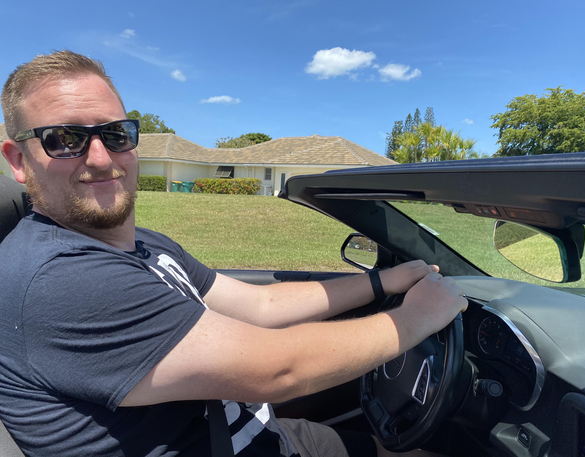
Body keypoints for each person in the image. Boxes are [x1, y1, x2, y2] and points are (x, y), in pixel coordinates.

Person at [0, 51, 467, 457]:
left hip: (254, 433)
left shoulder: (143, 243)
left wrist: (384, 282)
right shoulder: (59, 278)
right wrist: (417, 319)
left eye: (116, 134)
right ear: (18, 160)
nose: (101, 157)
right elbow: (277, 369)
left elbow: (259, 306)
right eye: (65, 139)